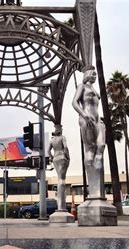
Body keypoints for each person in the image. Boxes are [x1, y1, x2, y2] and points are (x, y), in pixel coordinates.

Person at [72, 65, 106, 198]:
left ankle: (96, 159)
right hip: (86, 118)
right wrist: (83, 115)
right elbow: (74, 103)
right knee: (90, 150)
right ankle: (93, 190)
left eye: (95, 74)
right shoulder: (82, 87)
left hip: (97, 119)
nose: (95, 76)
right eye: (93, 74)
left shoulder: (94, 89)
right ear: (87, 74)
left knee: (101, 145)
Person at [48, 124, 70, 211]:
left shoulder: (52, 140)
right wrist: (68, 156)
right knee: (62, 180)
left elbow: (48, 151)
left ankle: (60, 205)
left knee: (59, 179)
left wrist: (51, 157)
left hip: (55, 159)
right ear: (60, 131)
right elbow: (66, 148)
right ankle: (61, 206)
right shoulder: (62, 137)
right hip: (62, 157)